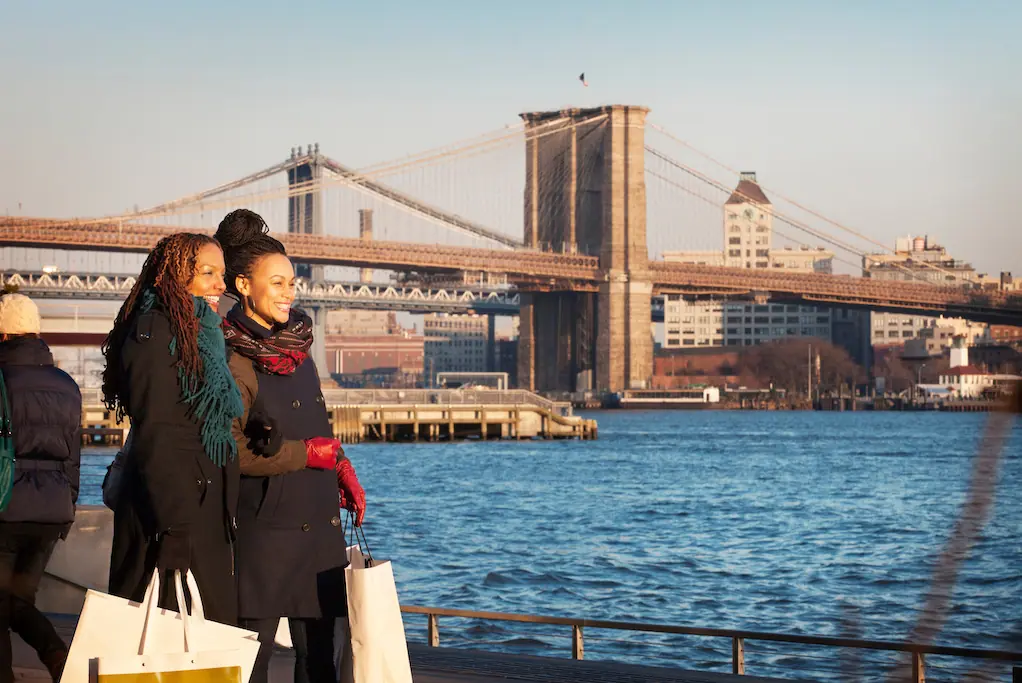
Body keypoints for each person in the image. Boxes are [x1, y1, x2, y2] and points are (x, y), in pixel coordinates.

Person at [215, 209, 366, 683]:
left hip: (318, 533)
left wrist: (340, 466)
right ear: (243, 285)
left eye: (292, 282)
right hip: (264, 533)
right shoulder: (231, 357)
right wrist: (308, 456)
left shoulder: (298, 350)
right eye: (276, 283)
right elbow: (230, 450)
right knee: (249, 666)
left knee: (320, 664)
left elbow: (313, 427)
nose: (289, 293)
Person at [101, 233, 244, 625]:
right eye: (209, 273)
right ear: (178, 276)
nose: (221, 285)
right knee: (167, 647)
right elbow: (158, 433)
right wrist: (175, 527)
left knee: (203, 647)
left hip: (199, 512)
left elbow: (194, 417)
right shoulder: (157, 332)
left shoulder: (199, 333)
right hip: (171, 519)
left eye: (223, 274)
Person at [0, 294, 81, 683]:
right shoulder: (66, 384)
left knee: (3, 605)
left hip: (5, 506)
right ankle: (55, 656)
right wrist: (69, 506)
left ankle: (52, 652)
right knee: (16, 600)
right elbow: (74, 456)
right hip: (51, 511)